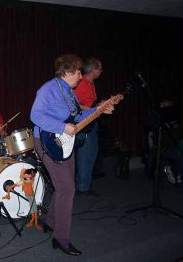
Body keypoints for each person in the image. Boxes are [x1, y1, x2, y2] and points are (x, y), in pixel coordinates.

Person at [30, 54, 114, 256]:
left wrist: (98, 110)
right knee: (67, 189)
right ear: (67, 72)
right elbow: (35, 115)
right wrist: (61, 126)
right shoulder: (48, 89)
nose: (80, 75)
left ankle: (50, 222)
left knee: (65, 186)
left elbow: (77, 117)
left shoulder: (70, 92)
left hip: (65, 142)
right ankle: (61, 238)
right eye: (77, 71)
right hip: (47, 141)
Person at [73, 57, 103, 196]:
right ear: (93, 69)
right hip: (83, 123)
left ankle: (84, 183)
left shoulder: (90, 83)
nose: (101, 71)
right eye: (100, 68)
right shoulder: (82, 83)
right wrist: (94, 110)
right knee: (86, 154)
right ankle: (83, 187)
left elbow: (88, 105)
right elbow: (74, 104)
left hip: (91, 122)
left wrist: (99, 106)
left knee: (91, 152)